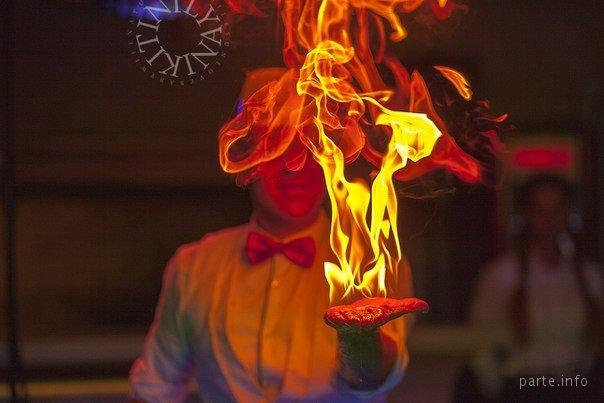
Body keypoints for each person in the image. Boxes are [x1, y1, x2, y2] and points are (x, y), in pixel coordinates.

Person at [128, 68, 419, 402]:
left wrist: (359, 336)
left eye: (310, 148)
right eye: (280, 148)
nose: (297, 168)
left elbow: (371, 381)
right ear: (249, 161)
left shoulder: (373, 264)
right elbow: (156, 388)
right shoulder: (194, 266)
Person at [456, 173, 602, 402]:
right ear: (525, 214)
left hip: (576, 386)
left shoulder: (590, 276)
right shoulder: (502, 275)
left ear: (570, 213)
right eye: (539, 209)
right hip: (523, 387)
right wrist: (495, 390)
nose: (549, 218)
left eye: (557, 208)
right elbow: (482, 342)